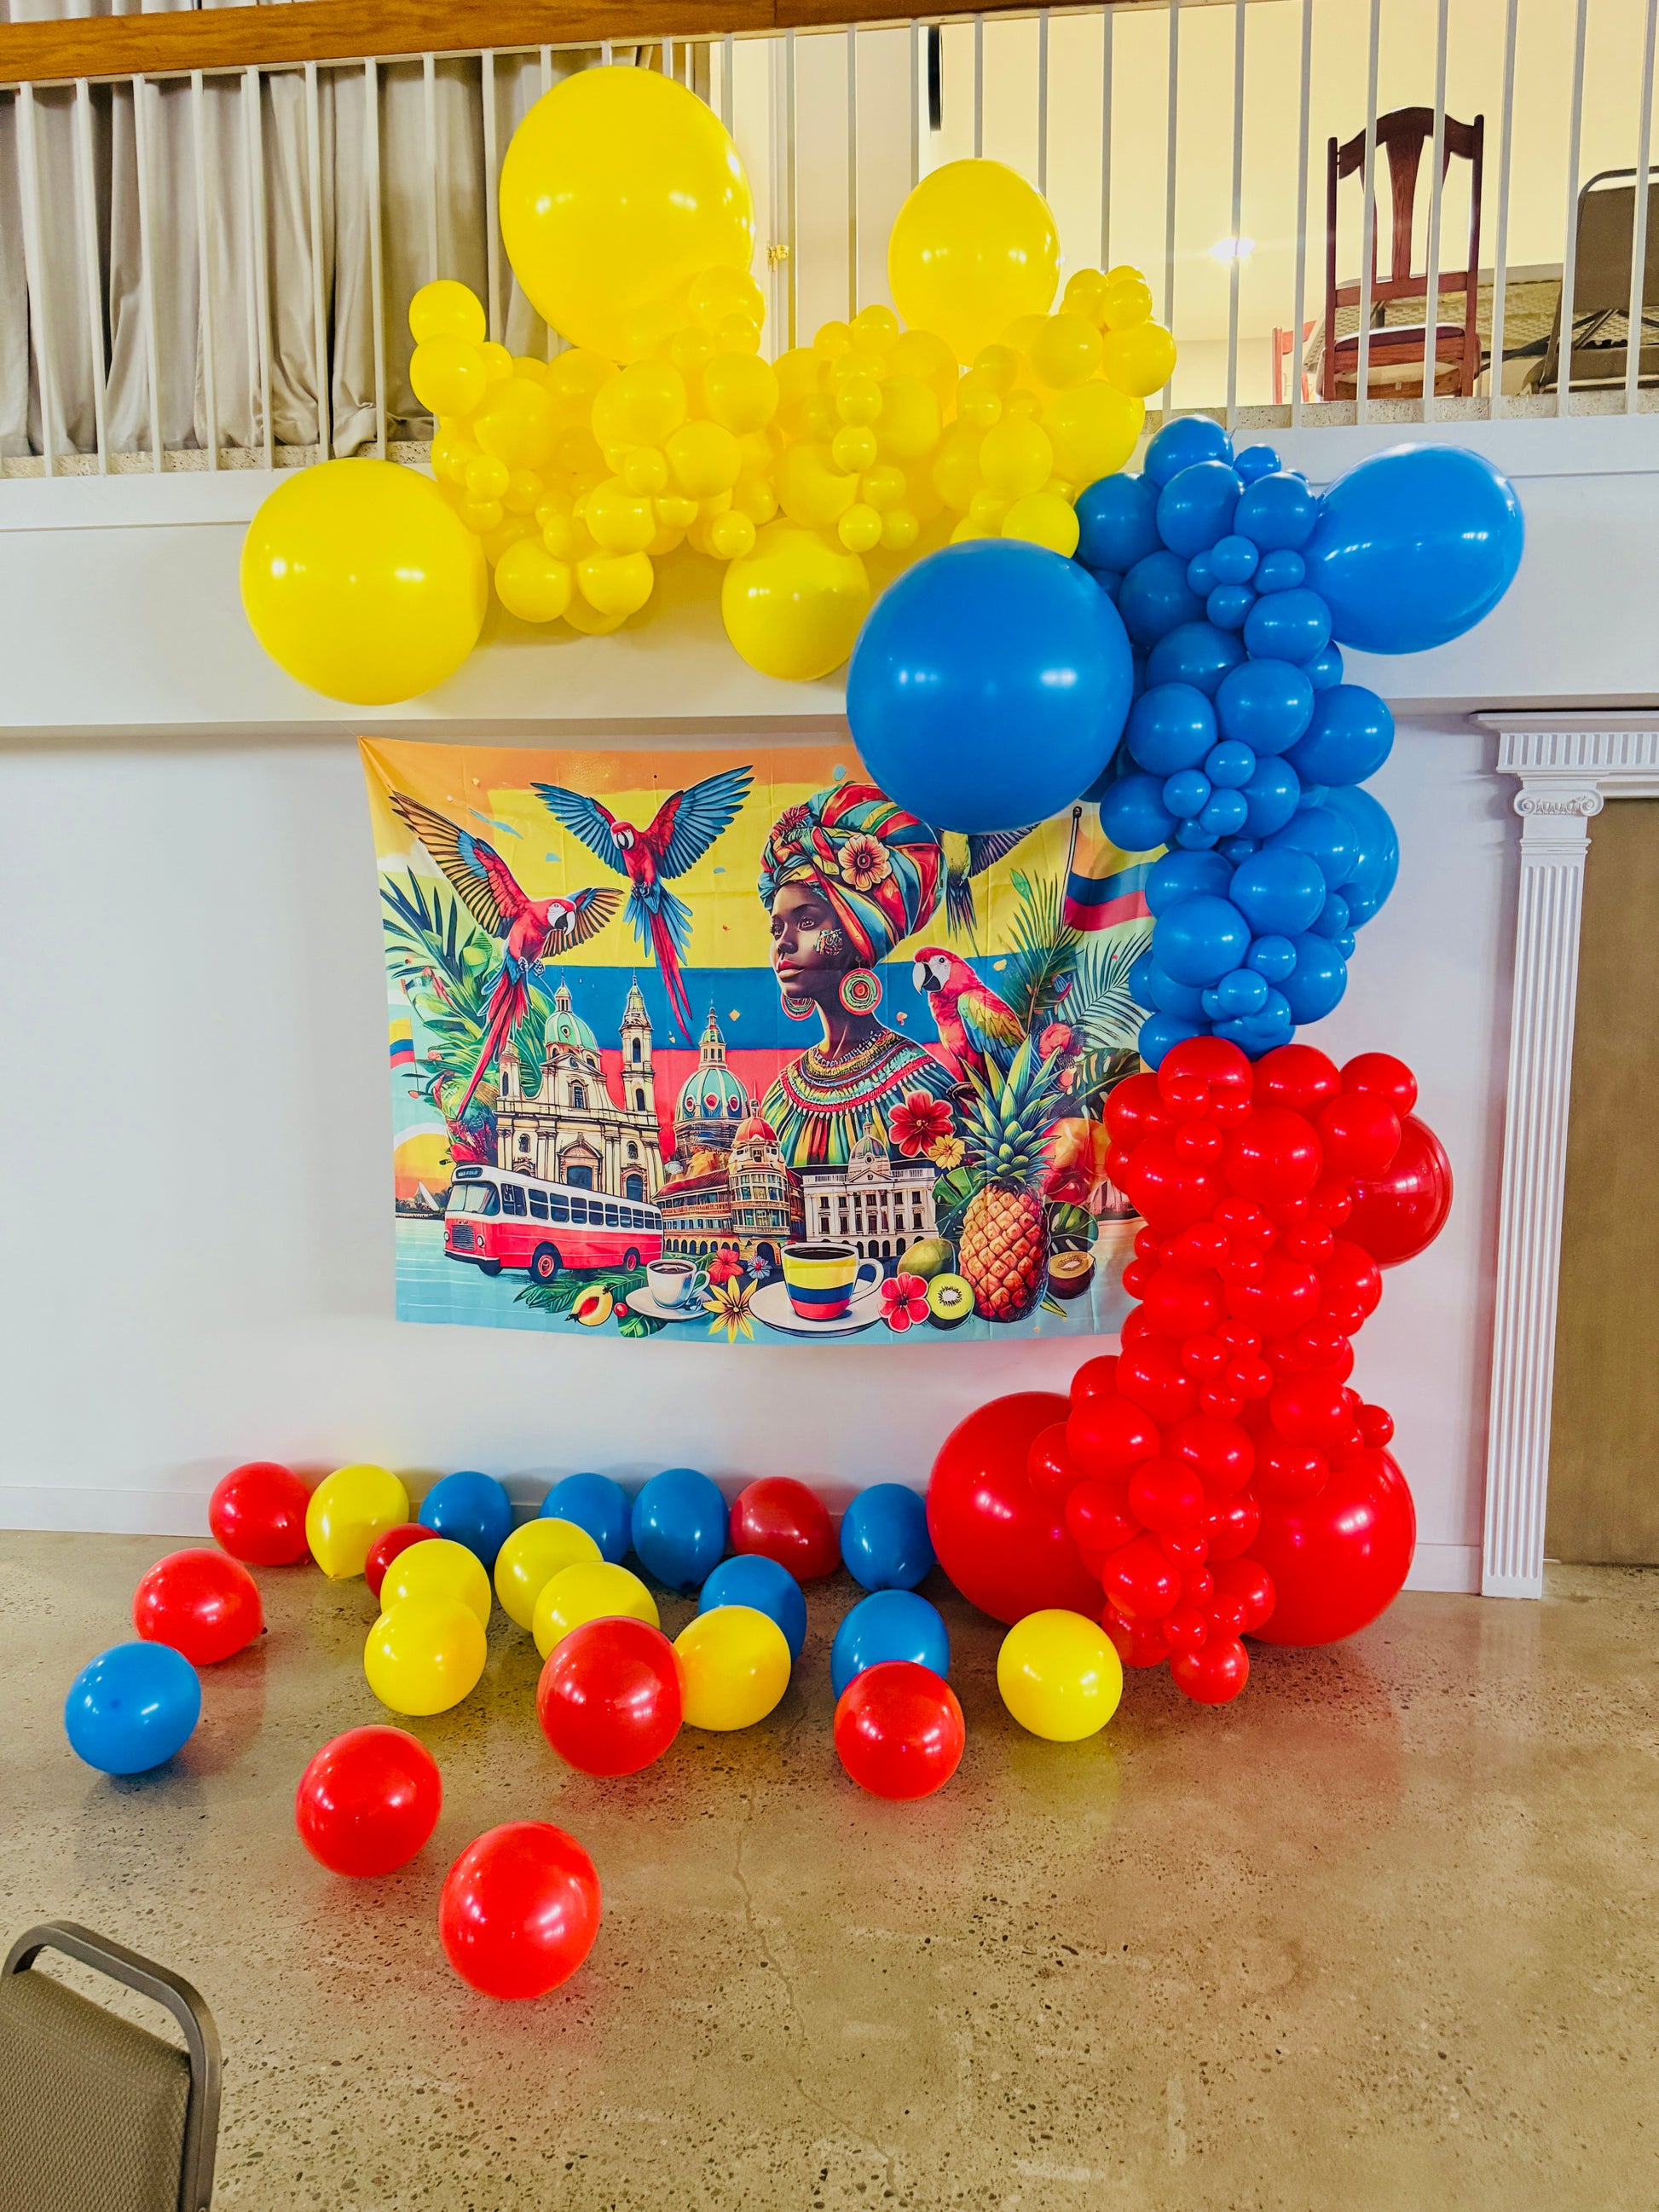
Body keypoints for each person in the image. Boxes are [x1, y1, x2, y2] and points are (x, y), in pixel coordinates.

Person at [757, 781, 957, 1169]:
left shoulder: (923, 1088)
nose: (783, 943)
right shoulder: (778, 1098)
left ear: (858, 935)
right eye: (776, 928)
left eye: (808, 921)